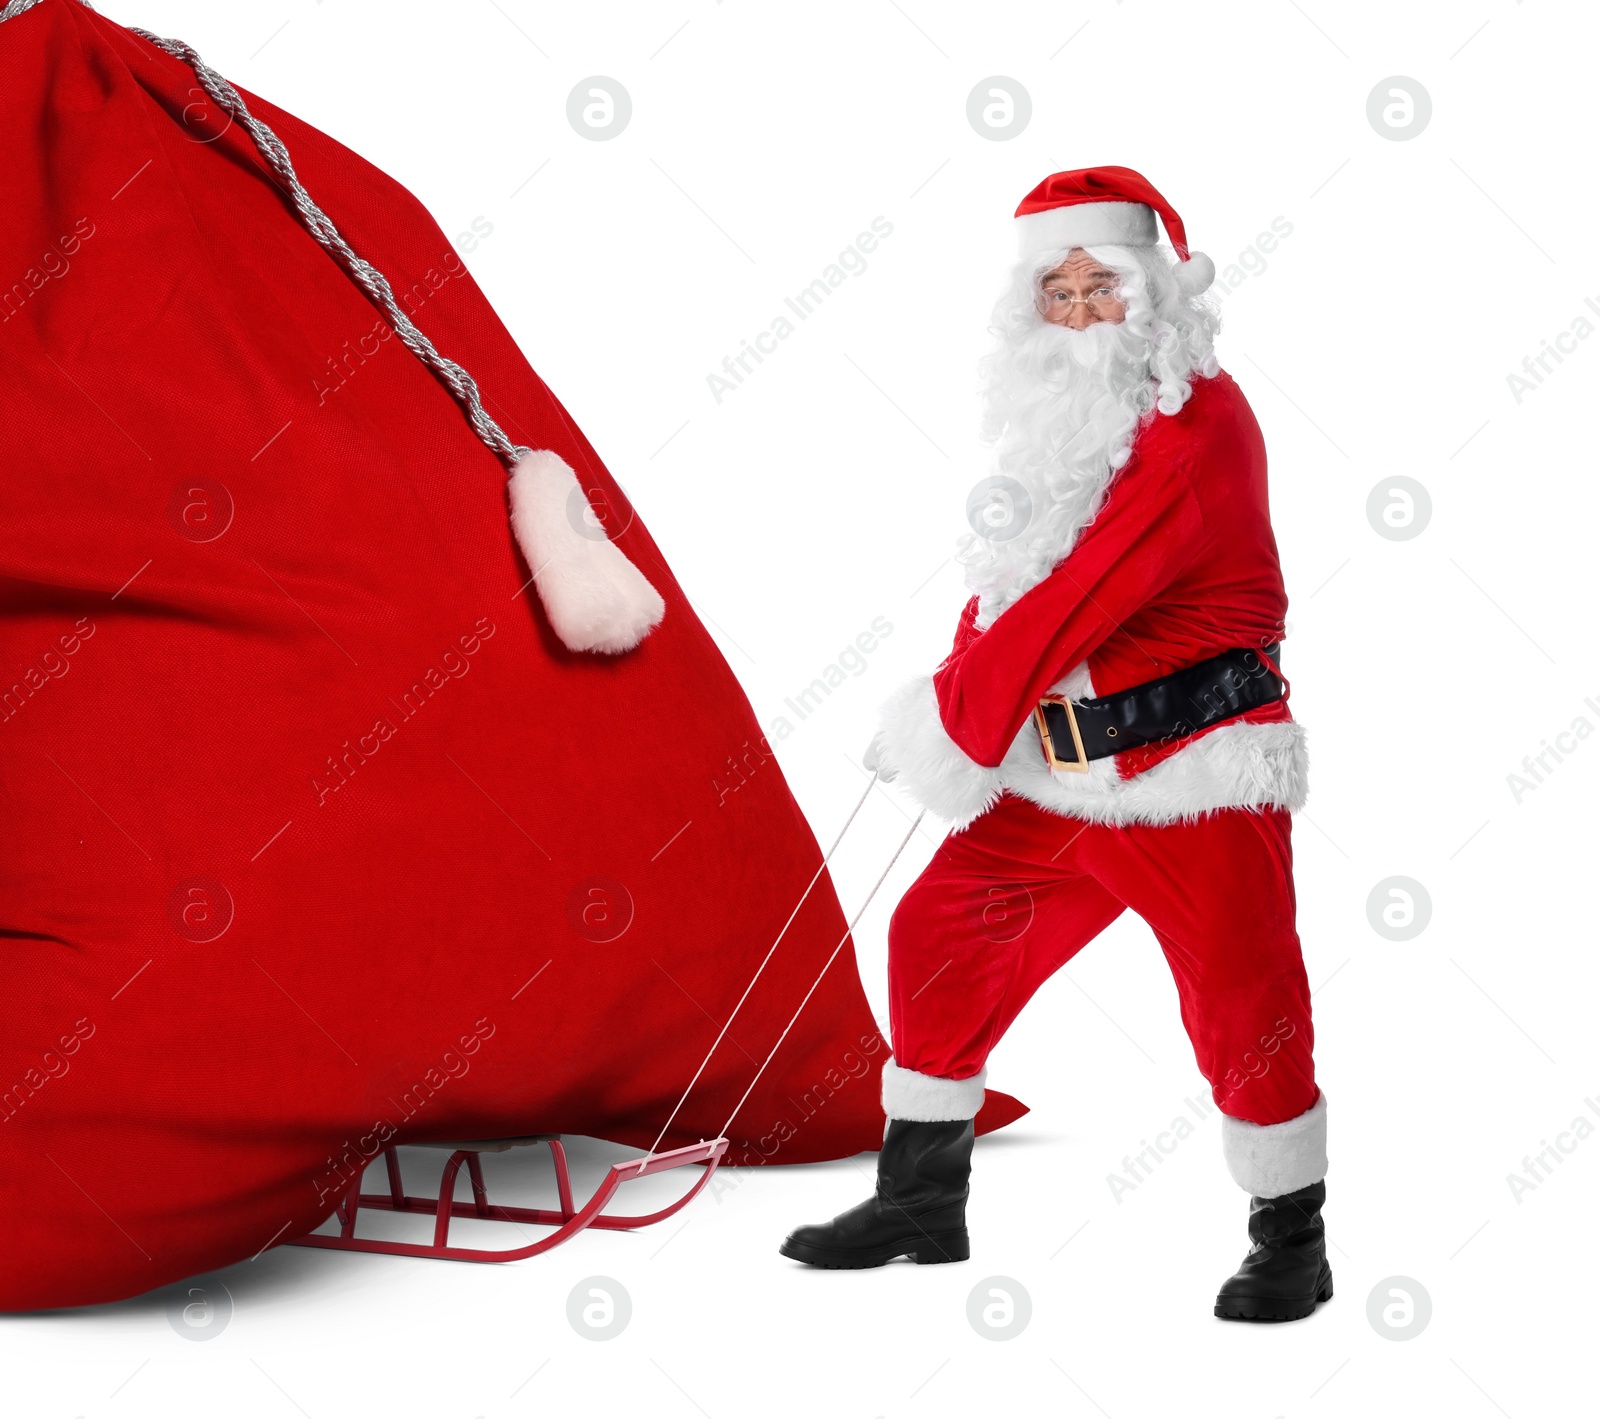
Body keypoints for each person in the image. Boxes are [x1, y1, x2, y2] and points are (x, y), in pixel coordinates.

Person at [779, 167, 1331, 1323]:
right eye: (1058, 291)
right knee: (938, 930)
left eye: (1102, 287)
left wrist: (954, 723)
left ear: (1156, 299)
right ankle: (920, 1200)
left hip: (1192, 781)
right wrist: (953, 700)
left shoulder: (1195, 427)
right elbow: (1004, 590)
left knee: (1243, 1000)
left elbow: (1078, 597)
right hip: (1056, 783)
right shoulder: (1063, 433)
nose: (1079, 312)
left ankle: (1291, 1235)